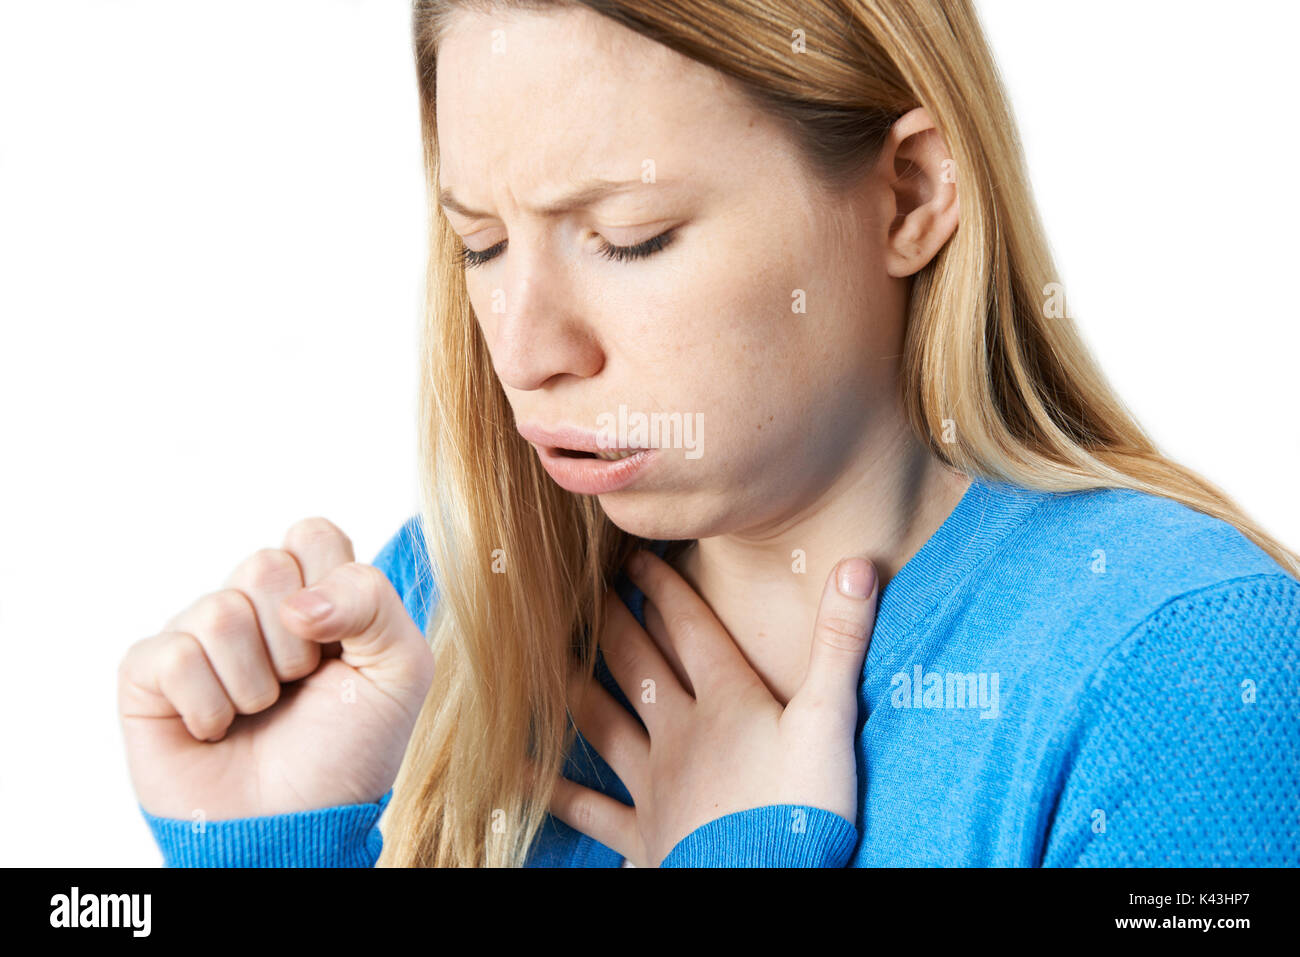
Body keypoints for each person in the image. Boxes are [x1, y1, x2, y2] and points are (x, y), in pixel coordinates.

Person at [119, 0, 1300, 867]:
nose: (527, 350)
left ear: (910, 195)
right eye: (480, 243)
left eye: (630, 237)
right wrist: (276, 852)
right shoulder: (447, 615)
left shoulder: (1182, 667)